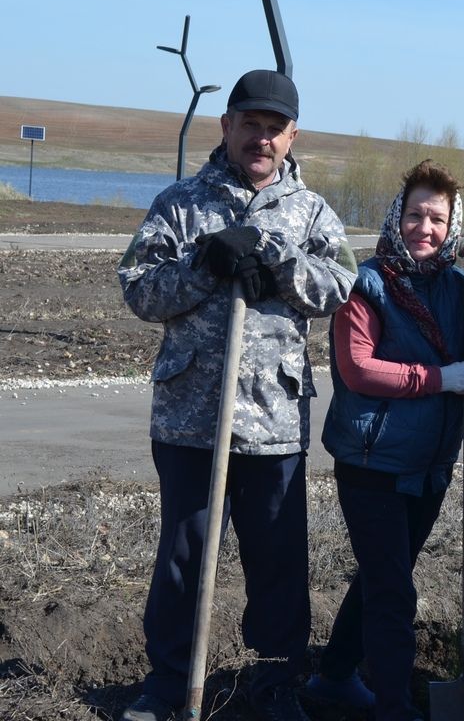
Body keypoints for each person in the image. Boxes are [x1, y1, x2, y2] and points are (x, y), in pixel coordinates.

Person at [117, 70, 357, 721]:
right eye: (249, 123)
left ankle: (276, 683)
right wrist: (204, 266)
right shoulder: (180, 204)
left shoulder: (309, 211)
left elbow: (339, 285)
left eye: (274, 128)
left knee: (278, 558)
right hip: (191, 416)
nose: (261, 138)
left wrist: (281, 263)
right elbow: (138, 289)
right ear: (226, 126)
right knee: (184, 556)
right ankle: (169, 685)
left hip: (275, 417)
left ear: (291, 136)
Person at [305, 160, 464, 720]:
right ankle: (393, 707)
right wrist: (442, 379)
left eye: (439, 219)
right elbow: (358, 370)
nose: (426, 228)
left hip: (429, 466)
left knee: (382, 578)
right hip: (371, 461)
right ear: (397, 218)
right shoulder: (365, 282)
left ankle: (333, 676)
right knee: (395, 592)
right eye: (416, 215)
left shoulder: (456, 283)